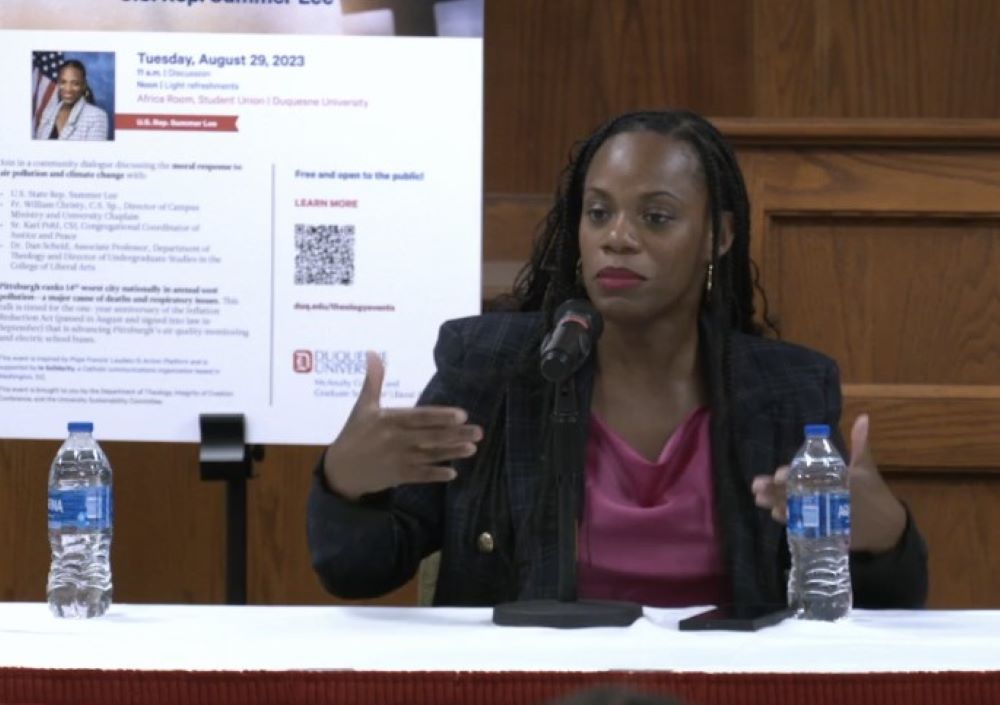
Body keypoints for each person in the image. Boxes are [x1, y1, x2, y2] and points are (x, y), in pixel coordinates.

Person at [307, 109, 928, 608]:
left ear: (720, 236)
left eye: (656, 217)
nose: (618, 236)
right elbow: (360, 574)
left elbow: (880, 605)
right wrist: (347, 484)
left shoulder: (787, 390)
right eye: (599, 212)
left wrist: (882, 538)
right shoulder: (493, 368)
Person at [35, 59, 109, 141]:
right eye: (63, 82)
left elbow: (95, 153)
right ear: (58, 84)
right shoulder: (48, 113)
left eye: (75, 83)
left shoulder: (96, 116)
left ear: (83, 85)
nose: (68, 89)